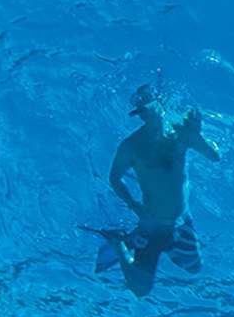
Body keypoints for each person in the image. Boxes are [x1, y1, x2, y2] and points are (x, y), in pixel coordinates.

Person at [91, 86, 221, 298]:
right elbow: (114, 178)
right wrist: (134, 205)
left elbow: (214, 157)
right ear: (138, 114)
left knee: (195, 268)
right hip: (152, 225)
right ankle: (120, 245)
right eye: (141, 111)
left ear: (161, 106)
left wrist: (197, 137)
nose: (145, 114)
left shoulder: (180, 133)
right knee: (140, 289)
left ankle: (134, 241)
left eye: (148, 107)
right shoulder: (131, 146)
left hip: (181, 221)